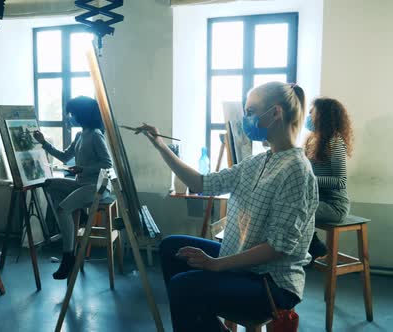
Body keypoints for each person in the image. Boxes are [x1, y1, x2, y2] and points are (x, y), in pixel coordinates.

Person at [137, 82, 318, 331]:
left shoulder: (296, 170)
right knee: (171, 248)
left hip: (270, 283)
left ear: (276, 113)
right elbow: (201, 182)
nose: (246, 119)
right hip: (244, 267)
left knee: (183, 288)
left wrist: (216, 264)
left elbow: (278, 247)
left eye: (251, 111)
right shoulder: (258, 162)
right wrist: (160, 145)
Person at [33, 96, 113, 280]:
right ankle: (83, 216)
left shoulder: (95, 135)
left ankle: (68, 256)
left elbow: (107, 164)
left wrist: (83, 168)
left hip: (96, 187)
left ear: (82, 115)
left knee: (62, 211)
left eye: (72, 114)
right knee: (49, 183)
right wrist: (44, 143)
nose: (69, 117)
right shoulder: (80, 135)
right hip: (81, 183)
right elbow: (64, 157)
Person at [304, 97, 353, 260]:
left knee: (294, 209)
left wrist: (310, 179)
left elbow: (341, 182)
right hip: (317, 200)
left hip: (334, 206)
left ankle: (315, 247)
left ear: (323, 116)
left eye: (312, 111)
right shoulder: (312, 140)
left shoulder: (335, 142)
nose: (308, 114)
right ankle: (311, 247)